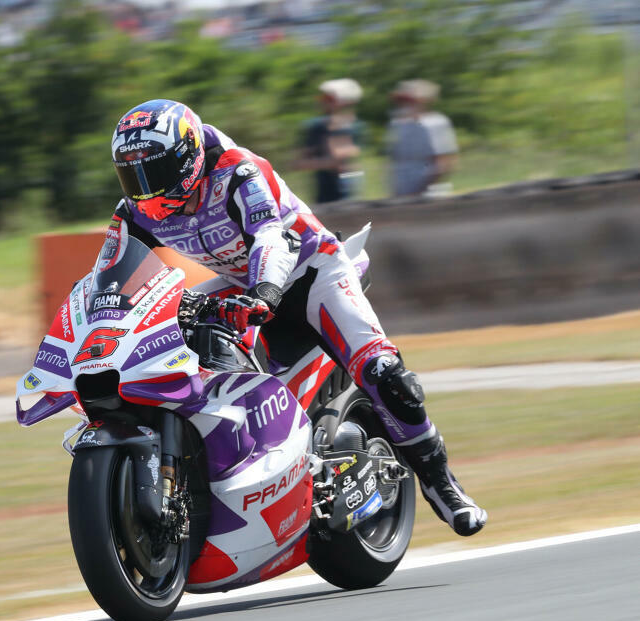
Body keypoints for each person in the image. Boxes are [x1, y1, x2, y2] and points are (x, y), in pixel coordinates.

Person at [104, 98, 486, 536]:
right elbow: (111, 274)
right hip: (241, 285)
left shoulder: (235, 171)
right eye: (132, 174)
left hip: (311, 271)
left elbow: (271, 234)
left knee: (386, 374)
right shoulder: (134, 211)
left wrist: (264, 291)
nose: (144, 188)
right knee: (181, 358)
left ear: (188, 158)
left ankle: (442, 484)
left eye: (154, 172)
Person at [296, 78, 364, 204]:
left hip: (346, 195)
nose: (322, 101)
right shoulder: (316, 127)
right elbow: (300, 162)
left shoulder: (353, 127)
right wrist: (329, 161)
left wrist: (321, 161)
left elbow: (340, 159)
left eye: (329, 99)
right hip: (323, 195)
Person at [388, 79, 459, 197]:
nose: (403, 104)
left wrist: (421, 191)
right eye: (401, 100)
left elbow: (444, 162)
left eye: (409, 100)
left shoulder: (435, 123)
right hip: (401, 196)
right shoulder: (396, 124)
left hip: (429, 195)